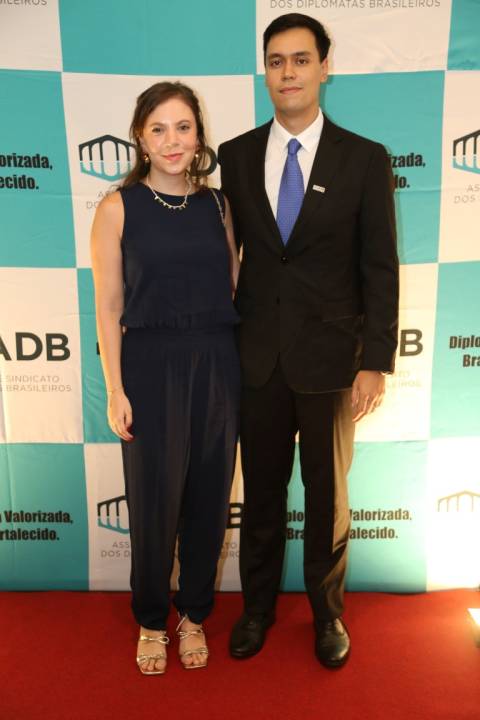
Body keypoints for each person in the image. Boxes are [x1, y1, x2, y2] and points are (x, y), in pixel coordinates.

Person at [218, 13, 399, 668]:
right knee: (262, 496)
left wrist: (375, 362)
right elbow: (228, 259)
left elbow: (380, 266)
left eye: (300, 59)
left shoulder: (365, 158)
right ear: (264, 71)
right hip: (258, 360)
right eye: (276, 61)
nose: (287, 72)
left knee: (327, 500)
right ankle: (257, 609)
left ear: (325, 66)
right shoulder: (235, 156)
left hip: (332, 362)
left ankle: (327, 614)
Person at [91, 81, 241, 675]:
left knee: (209, 499)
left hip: (217, 363)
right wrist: (116, 388)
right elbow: (108, 305)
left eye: (183, 127)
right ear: (140, 137)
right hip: (149, 368)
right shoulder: (117, 206)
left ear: (199, 136)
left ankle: (194, 615)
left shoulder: (218, 205)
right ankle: (152, 620)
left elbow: (232, 285)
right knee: (154, 504)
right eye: (158, 129)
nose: (172, 140)